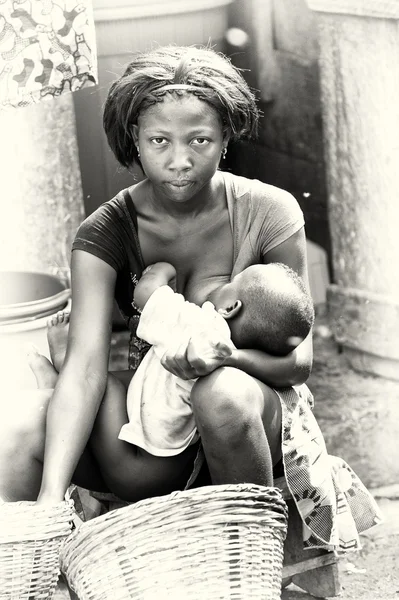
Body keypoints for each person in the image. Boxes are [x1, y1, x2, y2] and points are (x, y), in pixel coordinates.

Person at [0, 45, 381, 551]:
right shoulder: (106, 232)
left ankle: (248, 558)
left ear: (225, 137)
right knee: (18, 426)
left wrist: (219, 359)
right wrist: (50, 497)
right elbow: (88, 368)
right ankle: (41, 557)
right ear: (134, 140)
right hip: (153, 431)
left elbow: (299, 360)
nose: (179, 160)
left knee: (219, 391)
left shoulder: (268, 211)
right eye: (159, 140)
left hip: (246, 427)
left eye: (199, 139)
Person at [118, 260, 315, 458]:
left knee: (109, 388)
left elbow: (145, 293)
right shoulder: (237, 358)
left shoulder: (203, 325)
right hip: (173, 449)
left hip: (144, 458)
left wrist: (163, 269)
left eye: (230, 283)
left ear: (230, 308)